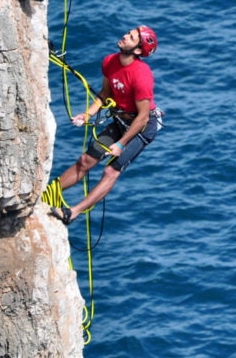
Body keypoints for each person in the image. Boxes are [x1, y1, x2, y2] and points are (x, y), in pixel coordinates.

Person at [48, 26, 161, 224]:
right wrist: (87, 114)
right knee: (85, 161)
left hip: (142, 126)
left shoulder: (141, 75)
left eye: (132, 37)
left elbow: (143, 117)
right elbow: (104, 93)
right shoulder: (110, 61)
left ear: (137, 50)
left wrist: (121, 144)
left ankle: (73, 212)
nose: (125, 36)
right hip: (120, 121)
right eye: (128, 32)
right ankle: (49, 193)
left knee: (110, 171)